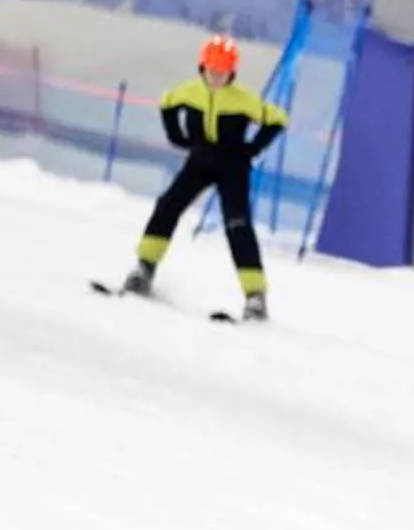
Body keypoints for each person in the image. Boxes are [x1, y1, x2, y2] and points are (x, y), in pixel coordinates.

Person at [117, 33, 288, 321]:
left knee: (237, 225)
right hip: (199, 163)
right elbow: (167, 103)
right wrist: (177, 136)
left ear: (231, 73)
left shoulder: (243, 100)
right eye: (212, 71)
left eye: (222, 73)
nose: (216, 77)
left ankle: (255, 297)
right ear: (202, 68)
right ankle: (144, 268)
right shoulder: (189, 92)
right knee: (168, 206)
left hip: (232, 169)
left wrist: (253, 148)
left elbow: (277, 119)